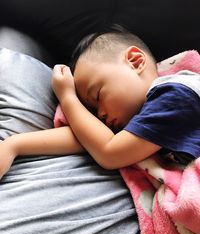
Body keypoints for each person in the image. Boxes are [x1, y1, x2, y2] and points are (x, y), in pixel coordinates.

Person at [1, 25, 200, 179]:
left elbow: (109, 152)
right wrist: (14, 145)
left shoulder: (176, 94)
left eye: (97, 95)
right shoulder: (135, 113)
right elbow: (88, 138)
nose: (100, 116)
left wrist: (68, 97)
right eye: (93, 111)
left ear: (135, 61)